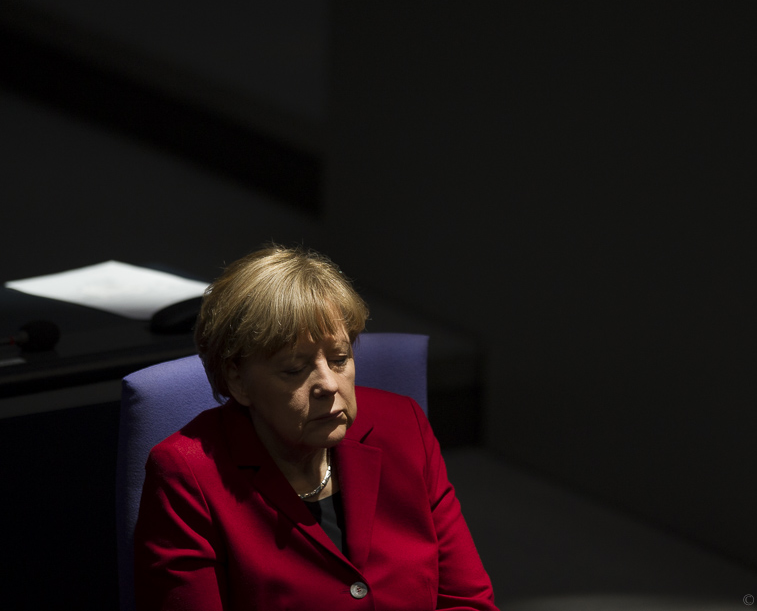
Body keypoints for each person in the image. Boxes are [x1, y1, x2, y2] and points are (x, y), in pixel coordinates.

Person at [134, 245, 499, 610]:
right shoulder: (187, 474)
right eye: (295, 369)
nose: (329, 383)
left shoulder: (403, 427)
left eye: (340, 358)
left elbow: (466, 600)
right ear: (237, 379)